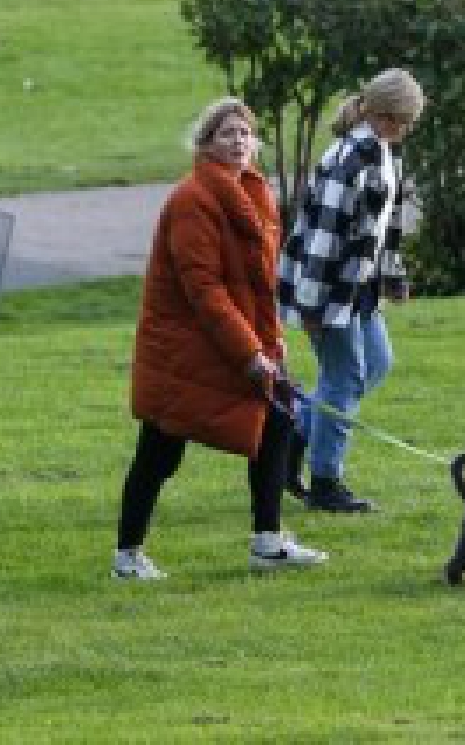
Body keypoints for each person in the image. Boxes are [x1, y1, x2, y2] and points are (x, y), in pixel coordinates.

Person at [112, 97, 328, 579]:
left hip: (235, 342)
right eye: (226, 133)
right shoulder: (192, 200)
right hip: (185, 352)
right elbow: (204, 290)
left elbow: (255, 283)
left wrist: (270, 343)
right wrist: (249, 351)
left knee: (276, 424)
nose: (237, 141)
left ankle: (268, 541)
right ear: (205, 144)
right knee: (160, 451)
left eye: (245, 133)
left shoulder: (253, 192)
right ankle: (127, 555)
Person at [277, 68, 427, 514]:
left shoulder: (384, 153)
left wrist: (394, 276)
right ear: (374, 111)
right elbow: (323, 238)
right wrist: (310, 306)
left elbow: (387, 228)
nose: (399, 130)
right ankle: (326, 483)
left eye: (405, 123)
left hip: (358, 289)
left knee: (376, 363)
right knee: (344, 379)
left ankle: (294, 434)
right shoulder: (349, 159)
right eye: (393, 120)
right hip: (326, 291)